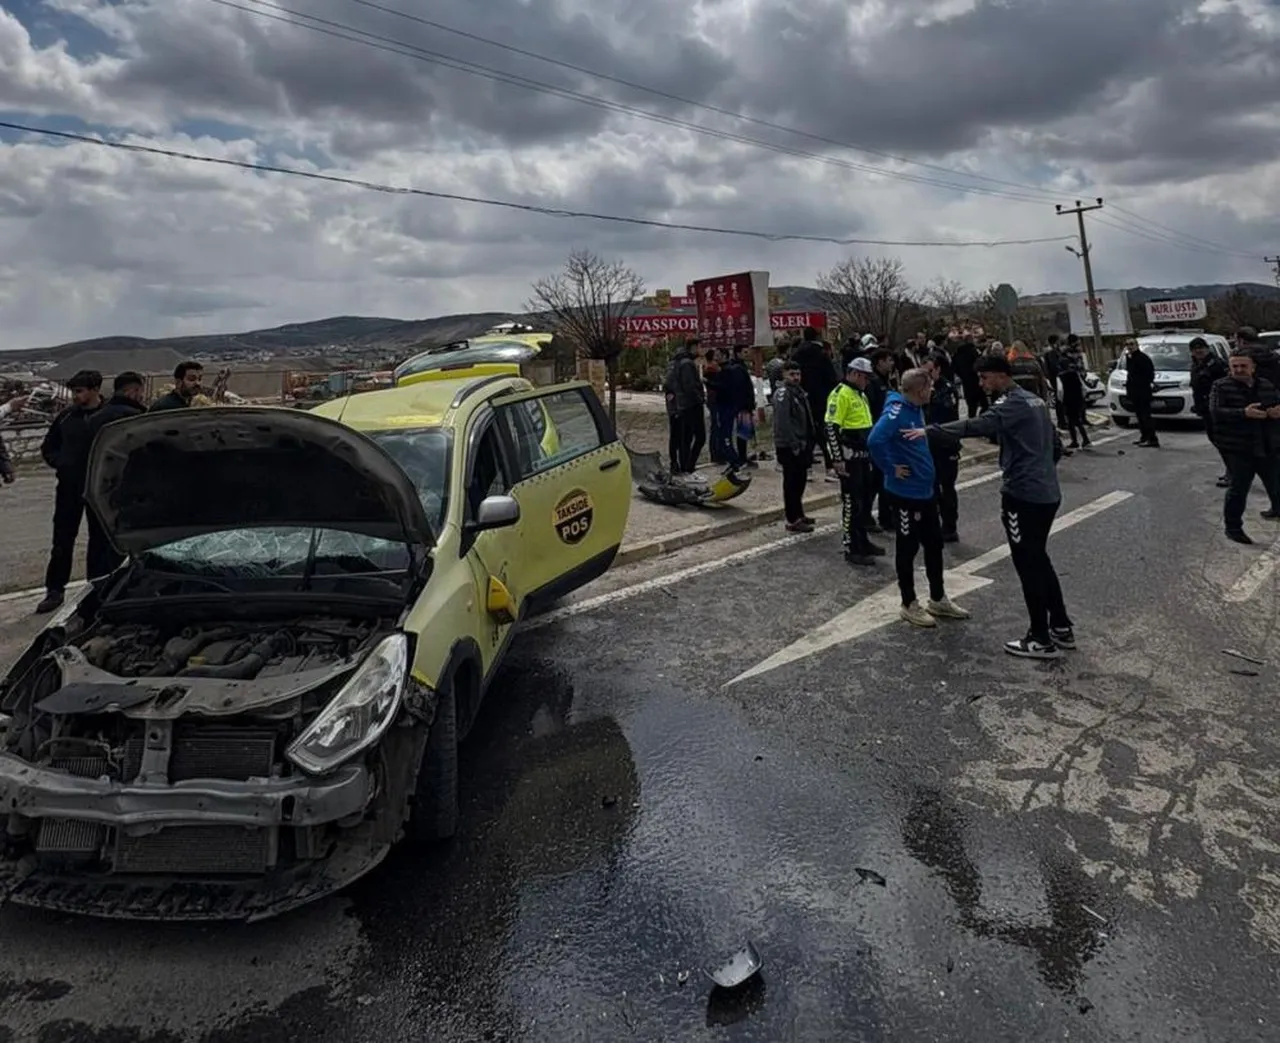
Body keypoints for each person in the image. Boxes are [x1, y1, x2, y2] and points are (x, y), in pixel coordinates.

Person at [913, 356, 1073, 659]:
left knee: (1027, 564)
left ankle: (1039, 637)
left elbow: (978, 424)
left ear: (1001, 376)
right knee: (1039, 559)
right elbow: (1055, 446)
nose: (981, 385)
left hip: (1023, 495)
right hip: (1046, 491)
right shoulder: (1034, 401)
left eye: (985, 378)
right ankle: (1061, 624)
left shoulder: (1011, 404)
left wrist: (930, 431)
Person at [868, 368, 970, 627]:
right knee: (907, 547)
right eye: (929, 387)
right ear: (919, 390)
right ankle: (908, 602)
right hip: (905, 494)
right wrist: (891, 468)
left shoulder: (915, 409)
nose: (932, 391)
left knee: (934, 545)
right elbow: (875, 440)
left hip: (925, 491)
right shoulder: (896, 412)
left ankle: (938, 598)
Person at [35, 370, 105, 614]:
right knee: (62, 540)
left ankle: (97, 588)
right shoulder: (66, 417)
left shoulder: (108, 418)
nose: (75, 396)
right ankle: (55, 591)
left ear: (95, 389)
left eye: (80, 391)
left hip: (99, 489)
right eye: (74, 391)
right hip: (68, 488)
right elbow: (48, 447)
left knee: (100, 541)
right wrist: (61, 462)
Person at [1209, 352, 1280, 545]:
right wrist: (1243, 413)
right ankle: (1233, 528)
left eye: (1243, 366)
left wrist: (1276, 412)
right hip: (1238, 447)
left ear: (1253, 367)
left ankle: (1277, 510)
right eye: (1235, 367)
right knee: (1238, 489)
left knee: (1275, 483)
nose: (1239, 370)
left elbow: (1276, 404)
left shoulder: (1265, 385)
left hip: (1266, 444)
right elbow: (1216, 412)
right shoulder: (1221, 386)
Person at [825, 358, 883, 566]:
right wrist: (837, 459)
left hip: (864, 457)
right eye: (865, 377)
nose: (867, 381)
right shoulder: (840, 394)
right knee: (852, 504)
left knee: (864, 502)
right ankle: (851, 547)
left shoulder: (860, 394)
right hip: (849, 460)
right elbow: (831, 427)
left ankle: (863, 542)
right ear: (855, 374)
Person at [772, 361, 815, 533]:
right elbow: (783, 422)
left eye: (798, 374)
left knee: (800, 480)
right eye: (791, 374)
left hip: (802, 442)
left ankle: (799, 513)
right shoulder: (783, 394)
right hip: (789, 445)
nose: (796, 378)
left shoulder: (798, 392)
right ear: (784, 375)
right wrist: (793, 443)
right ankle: (792, 519)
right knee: (791, 482)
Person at [924, 354, 962, 541]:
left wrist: (930, 397)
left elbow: (948, 410)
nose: (928, 376)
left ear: (938, 369)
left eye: (930, 371)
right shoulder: (923, 390)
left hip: (946, 444)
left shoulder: (947, 389)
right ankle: (934, 522)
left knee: (947, 486)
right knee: (931, 486)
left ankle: (950, 526)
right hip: (928, 445)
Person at [793, 326, 839, 476]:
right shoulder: (821, 353)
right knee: (824, 431)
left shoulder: (797, 354)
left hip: (803, 397)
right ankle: (830, 466)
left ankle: (808, 467)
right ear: (817, 337)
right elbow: (831, 377)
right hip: (822, 397)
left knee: (806, 431)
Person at [1189, 338, 1230, 487]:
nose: (1199, 351)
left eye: (1201, 348)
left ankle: (1232, 473)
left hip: (1216, 409)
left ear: (1207, 348)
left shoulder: (1216, 364)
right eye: (1195, 349)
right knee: (1216, 440)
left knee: (1223, 442)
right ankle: (1231, 471)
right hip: (1205, 409)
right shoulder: (1196, 365)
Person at [664, 337, 706, 474]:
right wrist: (700, 399)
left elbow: (669, 385)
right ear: (693, 347)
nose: (701, 350)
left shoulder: (675, 363)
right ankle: (687, 466)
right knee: (697, 437)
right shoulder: (687, 363)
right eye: (700, 347)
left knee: (681, 437)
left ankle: (679, 465)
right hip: (689, 404)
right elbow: (690, 386)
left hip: (677, 405)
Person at [725, 345, 757, 468]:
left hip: (743, 404)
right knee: (743, 432)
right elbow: (741, 389)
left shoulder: (740, 366)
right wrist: (746, 403)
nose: (747, 354)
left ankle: (743, 456)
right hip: (742, 405)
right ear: (738, 353)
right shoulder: (738, 368)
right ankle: (742, 458)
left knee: (745, 431)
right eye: (744, 352)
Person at [1124, 339, 1159, 448]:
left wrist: (1142, 385)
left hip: (1142, 392)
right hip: (1134, 392)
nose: (1129, 346)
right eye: (1127, 345)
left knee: (1146, 416)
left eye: (1131, 344)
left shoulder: (1142, 358)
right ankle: (1144, 437)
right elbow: (1130, 375)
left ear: (1137, 345)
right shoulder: (1130, 358)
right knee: (1139, 416)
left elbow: (1149, 375)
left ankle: (1152, 439)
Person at [1058, 338, 1091, 449]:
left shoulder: (1063, 375)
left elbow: (1061, 390)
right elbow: (1082, 386)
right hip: (1077, 398)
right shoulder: (1075, 373)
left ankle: (1081, 440)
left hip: (1069, 398)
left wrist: (1061, 399)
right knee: (1075, 420)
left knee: (1073, 420)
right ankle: (1079, 440)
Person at [1043, 334, 1067, 429]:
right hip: (1056, 379)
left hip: (1057, 378)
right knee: (1059, 400)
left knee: (1061, 400)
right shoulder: (1051, 352)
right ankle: (1062, 422)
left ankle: (1063, 421)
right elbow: (1054, 366)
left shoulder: (1055, 351)